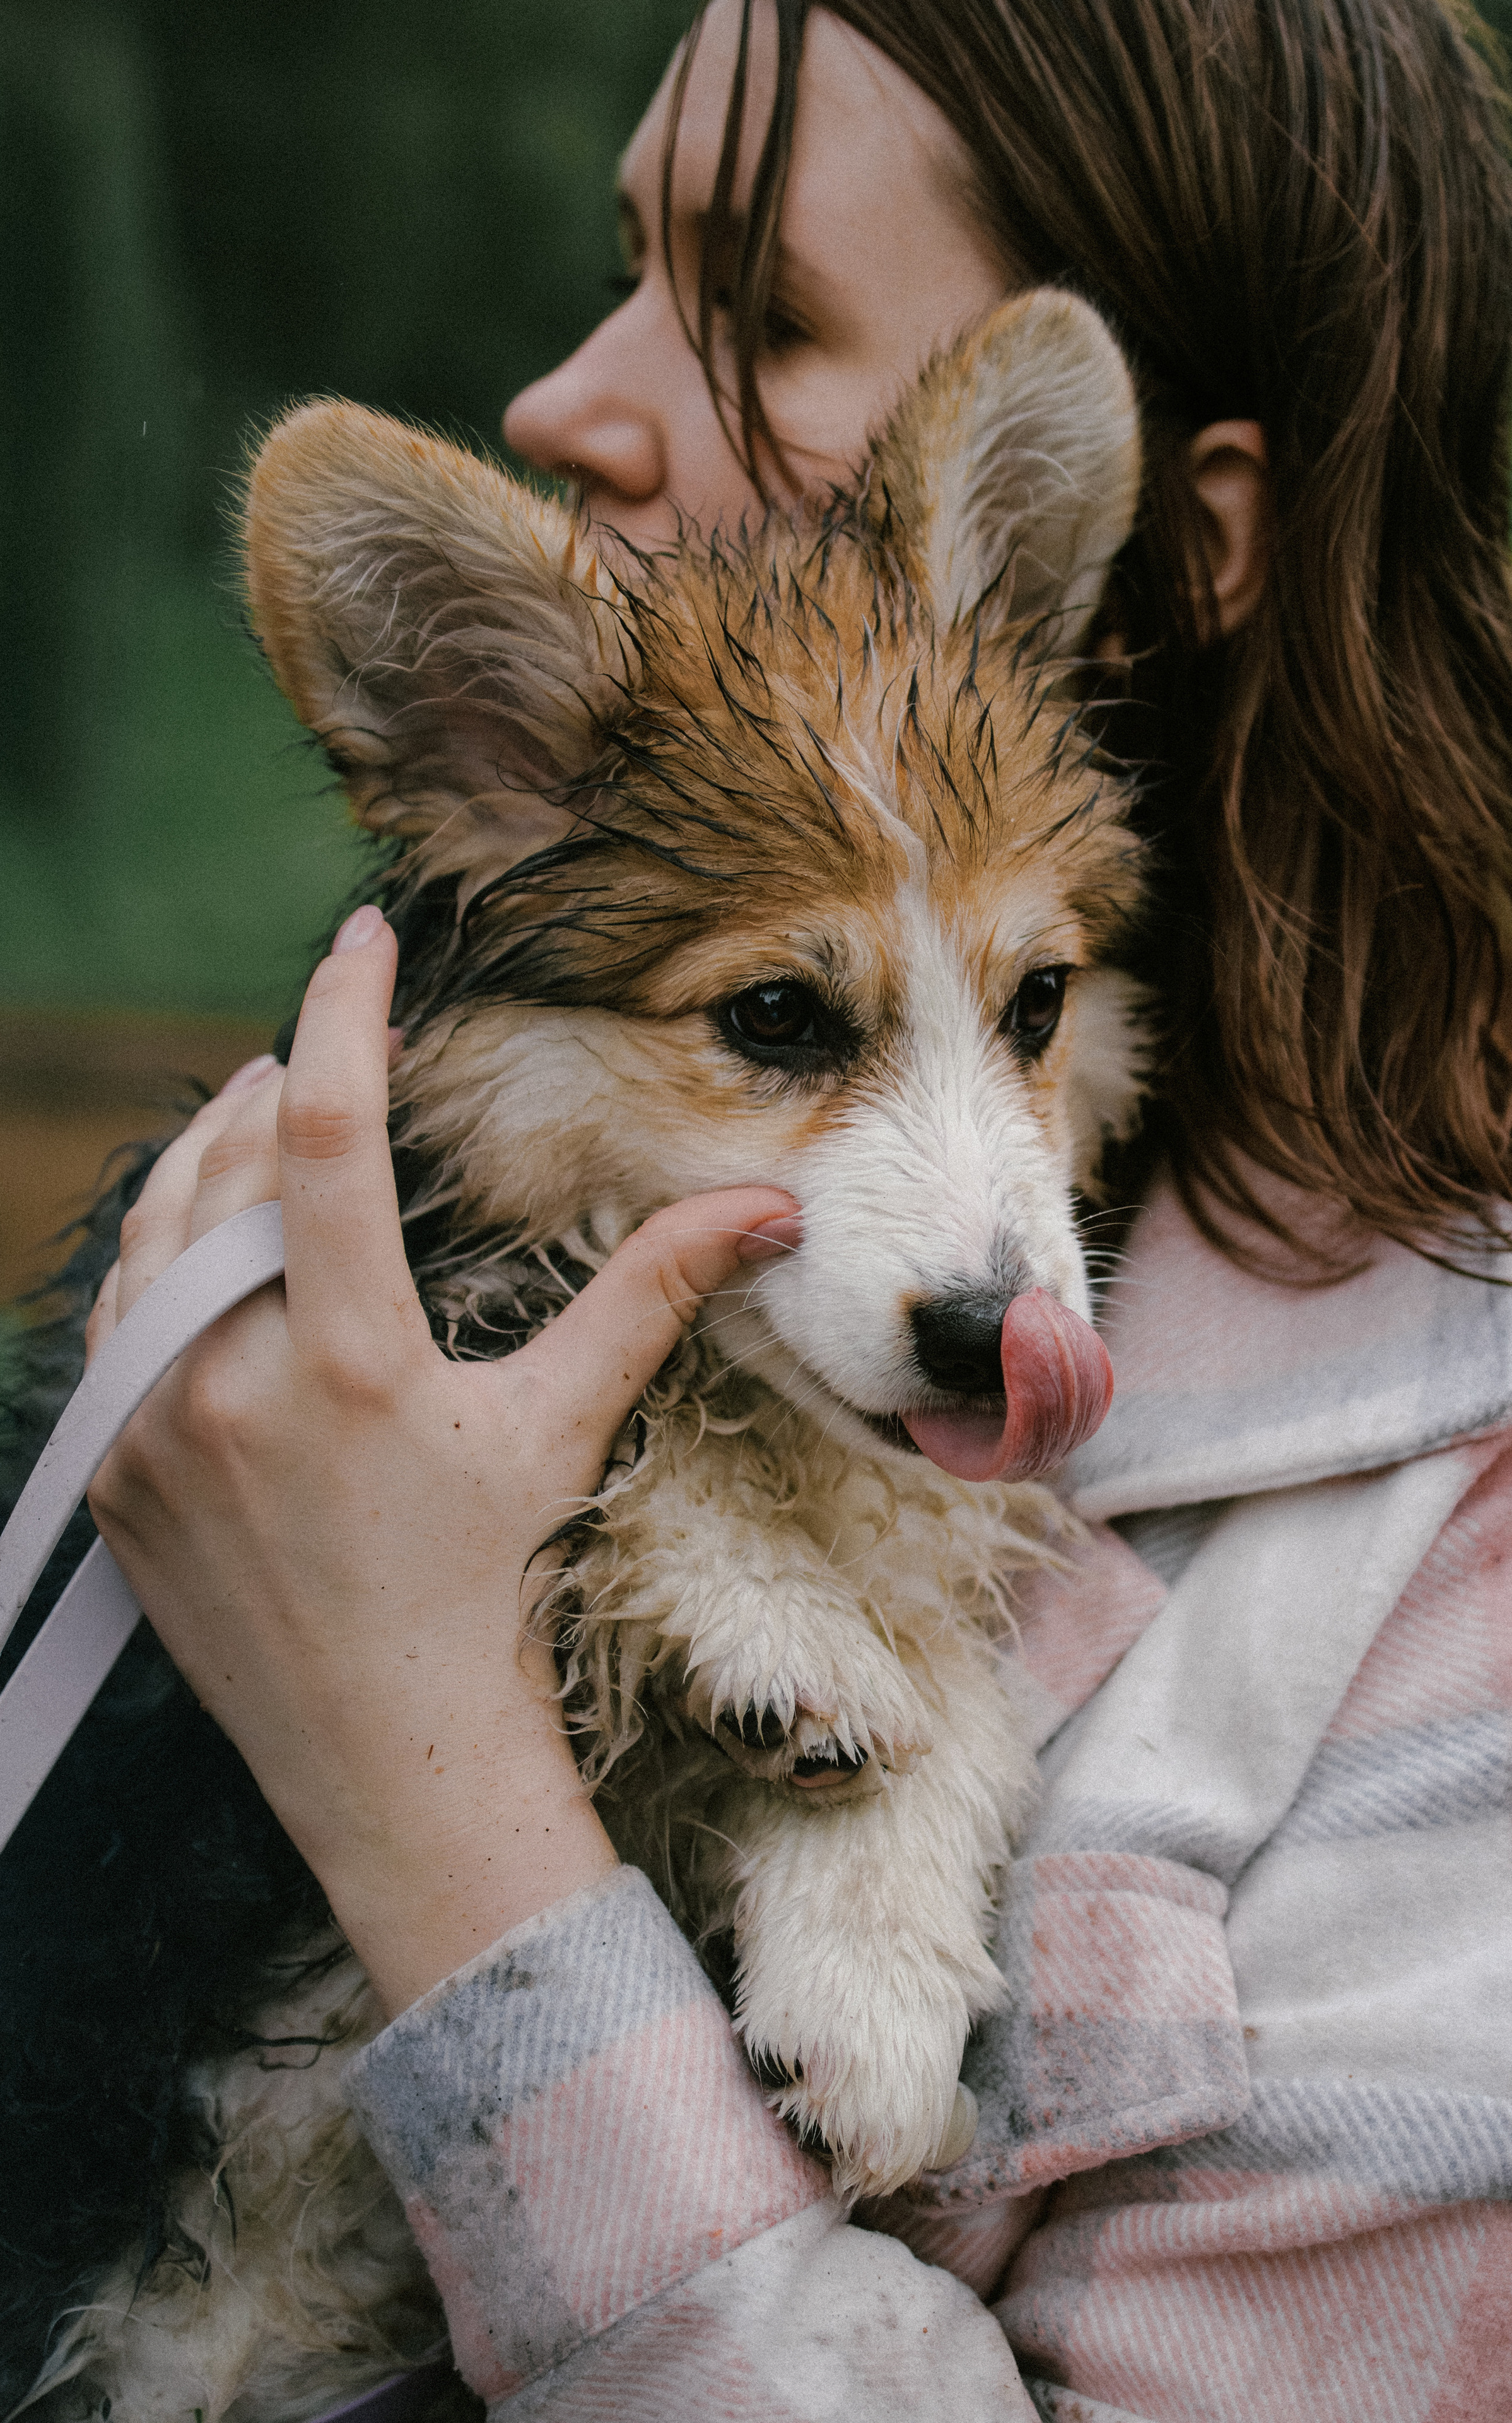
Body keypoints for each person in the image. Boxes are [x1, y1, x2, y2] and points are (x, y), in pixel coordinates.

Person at [85, 2, 1512, 2414]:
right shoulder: (428, 1215)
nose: (564, 400)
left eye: (759, 316)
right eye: (621, 268)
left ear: (1136, 555)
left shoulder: (1446, 1578)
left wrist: (427, 1777)